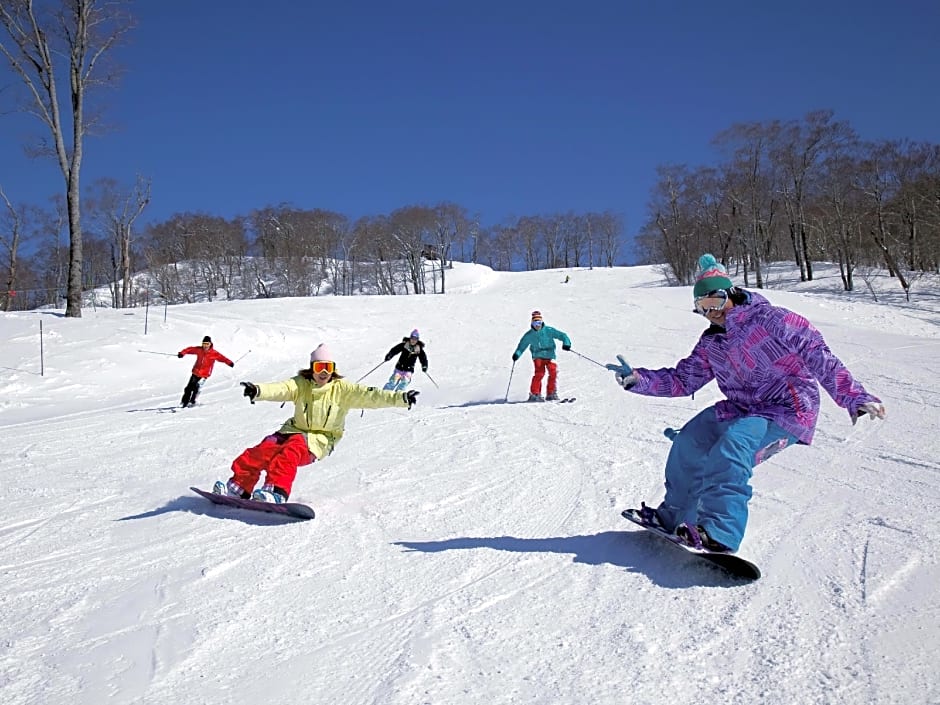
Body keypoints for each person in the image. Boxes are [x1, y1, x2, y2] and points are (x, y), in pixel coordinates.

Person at [608, 254, 886, 553]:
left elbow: (818, 355)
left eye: (714, 301)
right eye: (701, 307)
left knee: (734, 444)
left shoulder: (775, 320)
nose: (710, 312)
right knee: (689, 441)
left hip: (788, 408)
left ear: (730, 293)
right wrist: (638, 379)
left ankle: (720, 531)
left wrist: (854, 396)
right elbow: (683, 380)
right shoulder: (712, 342)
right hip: (741, 407)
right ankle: (671, 516)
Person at [214, 343, 419, 503]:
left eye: (328, 368)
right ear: (312, 368)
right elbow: (281, 388)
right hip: (293, 430)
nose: (323, 373)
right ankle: (239, 487)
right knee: (263, 448)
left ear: (333, 369)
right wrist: (258, 390)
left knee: (290, 451)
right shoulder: (300, 384)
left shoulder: (343, 390)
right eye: (319, 367)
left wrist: (401, 398)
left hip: (320, 439)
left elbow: (373, 396)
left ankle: (276, 491)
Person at [512, 310, 572, 402]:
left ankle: (551, 393)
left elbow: (563, 335)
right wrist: (517, 354)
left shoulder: (549, 331)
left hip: (550, 355)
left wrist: (566, 343)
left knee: (553, 371)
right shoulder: (529, 335)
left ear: (542, 322)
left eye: (539, 322)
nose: (538, 325)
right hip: (537, 356)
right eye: (535, 322)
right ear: (532, 323)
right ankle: (535, 393)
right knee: (539, 373)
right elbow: (522, 346)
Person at [177, 335, 234, 407]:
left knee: (196, 388)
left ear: (210, 344)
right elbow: (189, 349)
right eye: (204, 344)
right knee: (188, 388)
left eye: (207, 344)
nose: (205, 346)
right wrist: (182, 353)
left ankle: (192, 401)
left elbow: (223, 358)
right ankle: (184, 402)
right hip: (196, 372)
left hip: (204, 375)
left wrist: (229, 363)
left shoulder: (214, 353)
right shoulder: (199, 350)